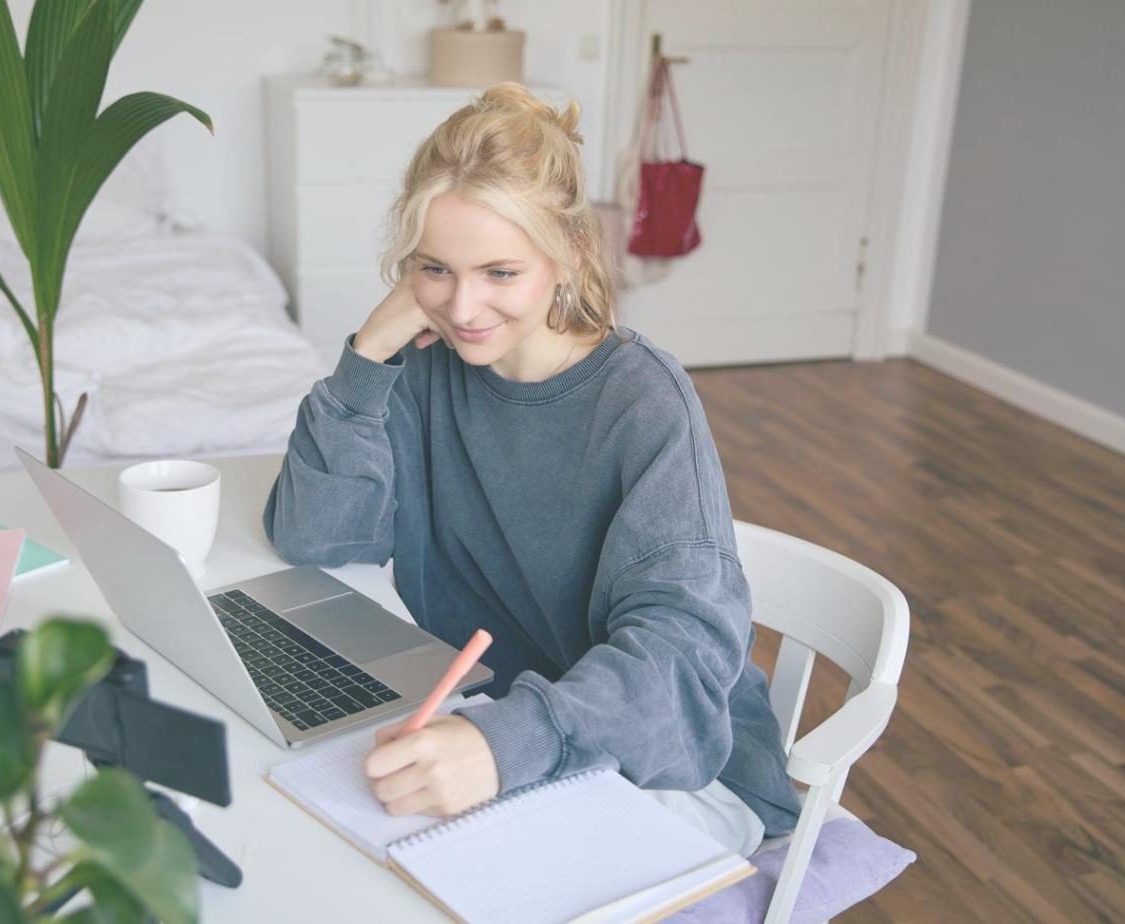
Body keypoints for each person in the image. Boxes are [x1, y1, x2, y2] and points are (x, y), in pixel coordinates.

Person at [263, 83, 801, 853]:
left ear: (569, 256)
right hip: (498, 724)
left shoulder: (640, 398)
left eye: (500, 273)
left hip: (667, 765)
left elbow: (683, 647)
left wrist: (511, 741)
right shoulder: (420, 369)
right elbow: (314, 540)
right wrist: (366, 357)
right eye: (433, 269)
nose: (463, 307)